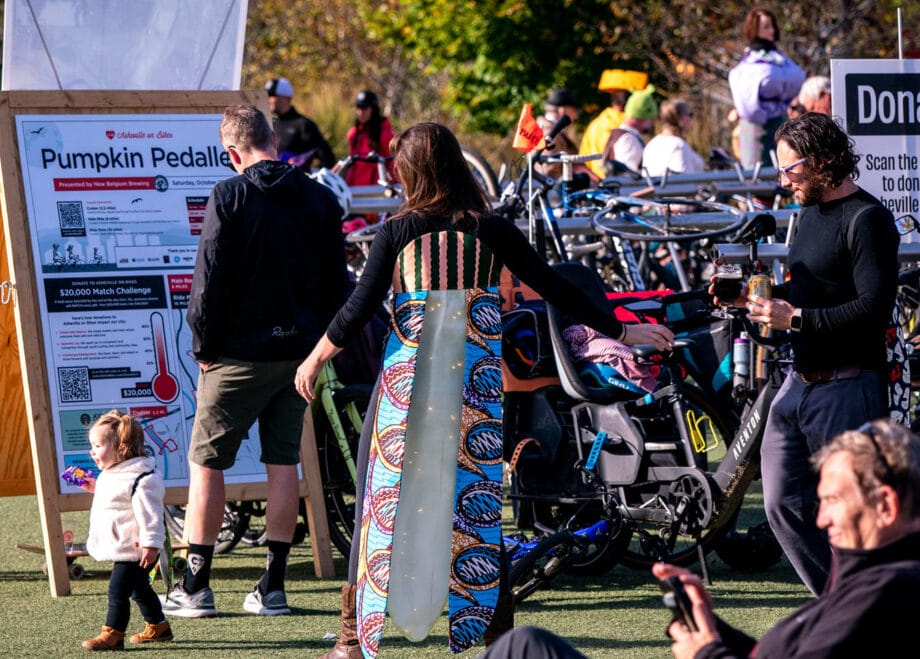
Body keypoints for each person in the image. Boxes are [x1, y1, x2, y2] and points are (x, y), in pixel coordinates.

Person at [296, 122, 675, 659]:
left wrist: (313, 359)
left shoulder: (397, 231)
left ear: (409, 173)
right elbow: (555, 285)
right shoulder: (491, 231)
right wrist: (621, 328)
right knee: (474, 506)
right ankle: (498, 633)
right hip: (471, 392)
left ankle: (352, 639)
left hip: (405, 393)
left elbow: (358, 310)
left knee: (379, 502)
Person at [481, 418, 920, 659]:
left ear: (886, 505)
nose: (820, 518)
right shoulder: (864, 586)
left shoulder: (891, 593)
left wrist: (707, 651)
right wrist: (717, 630)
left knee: (522, 647)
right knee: (525, 645)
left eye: (833, 501)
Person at [163, 105, 347, 618]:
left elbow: (209, 281)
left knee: (207, 463)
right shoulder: (318, 196)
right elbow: (338, 284)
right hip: (300, 355)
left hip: (237, 354)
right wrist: (321, 345)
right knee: (282, 462)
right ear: (272, 136)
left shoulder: (229, 194)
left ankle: (195, 585)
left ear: (231, 153)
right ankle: (272, 586)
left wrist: (203, 349)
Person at [711, 112, 899, 595]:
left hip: (848, 385)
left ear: (820, 163)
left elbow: (872, 308)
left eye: (789, 170)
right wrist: (751, 299)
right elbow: (811, 290)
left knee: (853, 518)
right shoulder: (809, 213)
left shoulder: (868, 218)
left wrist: (792, 317)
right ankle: (837, 604)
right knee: (781, 505)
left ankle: (862, 613)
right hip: (797, 382)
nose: (783, 181)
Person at [80, 410, 172, 651]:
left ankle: (113, 634)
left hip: (137, 548)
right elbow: (117, 500)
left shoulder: (142, 478)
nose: (93, 452)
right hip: (128, 547)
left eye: (98, 445)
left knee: (118, 589)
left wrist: (151, 545)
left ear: (121, 447)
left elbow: (151, 514)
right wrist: (95, 487)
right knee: (138, 588)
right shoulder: (114, 473)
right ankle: (159, 627)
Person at [728, 7, 805, 168]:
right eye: (766, 27)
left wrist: (783, 105)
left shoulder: (778, 57)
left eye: (772, 25)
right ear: (754, 29)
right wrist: (761, 117)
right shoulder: (751, 60)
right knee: (757, 176)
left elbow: (797, 77)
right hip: (756, 127)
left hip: (779, 122)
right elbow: (746, 97)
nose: (772, 30)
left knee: (782, 170)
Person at [266, 76, 337, 170]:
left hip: (293, 183)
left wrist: (310, 181)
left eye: (272, 95)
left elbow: (328, 158)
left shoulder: (303, 125)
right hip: (270, 183)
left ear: (285, 98)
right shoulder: (269, 123)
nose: (269, 99)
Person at [601, 85, 658, 175]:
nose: (653, 124)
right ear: (643, 116)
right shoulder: (628, 140)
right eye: (652, 119)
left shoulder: (621, 135)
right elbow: (629, 180)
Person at [641, 98, 705, 176]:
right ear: (680, 118)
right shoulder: (678, 145)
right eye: (690, 114)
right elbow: (685, 182)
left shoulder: (652, 144)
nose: (691, 119)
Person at [344, 89, 395, 186]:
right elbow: (352, 166)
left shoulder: (384, 134)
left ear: (373, 109)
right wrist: (347, 186)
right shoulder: (354, 134)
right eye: (358, 107)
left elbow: (392, 164)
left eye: (364, 108)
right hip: (355, 191)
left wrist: (397, 187)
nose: (360, 112)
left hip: (377, 192)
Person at [579, 89, 629, 179]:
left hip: (596, 182)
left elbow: (583, 158)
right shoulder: (627, 125)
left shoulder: (594, 124)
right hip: (620, 183)